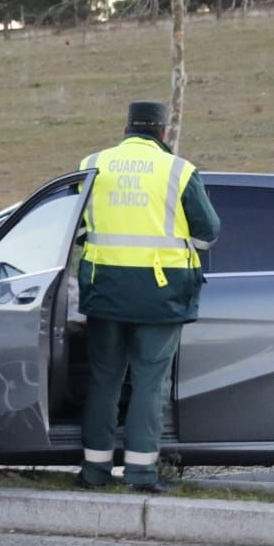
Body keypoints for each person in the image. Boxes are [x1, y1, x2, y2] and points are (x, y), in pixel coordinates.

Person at [76, 100, 220, 491]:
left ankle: (94, 471)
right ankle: (140, 474)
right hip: (161, 296)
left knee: (104, 381)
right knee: (148, 383)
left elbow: (72, 225)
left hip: (105, 290)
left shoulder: (92, 164)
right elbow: (209, 231)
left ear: (125, 129)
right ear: (162, 132)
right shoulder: (178, 170)